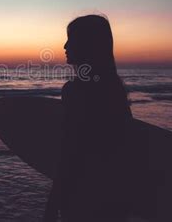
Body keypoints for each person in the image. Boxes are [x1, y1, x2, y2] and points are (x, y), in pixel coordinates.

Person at [44, 15, 133, 221]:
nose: (65, 45)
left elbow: (70, 153)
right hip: (112, 198)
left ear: (88, 44)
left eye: (71, 39)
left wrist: (51, 206)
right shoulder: (114, 90)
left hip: (81, 197)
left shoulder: (76, 91)